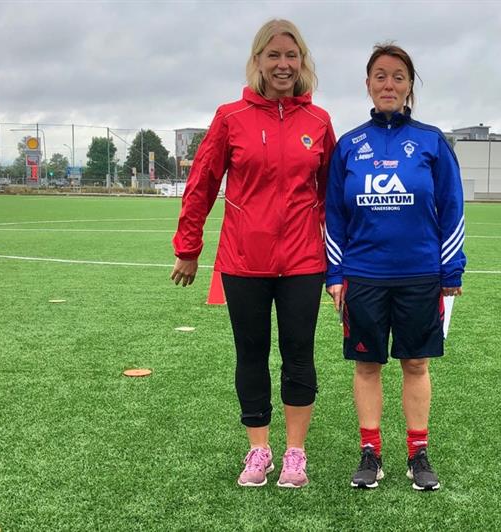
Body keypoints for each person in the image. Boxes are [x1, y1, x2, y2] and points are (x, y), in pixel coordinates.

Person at [171, 19, 335, 489]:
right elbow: (202, 183)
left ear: (302, 62)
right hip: (244, 261)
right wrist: (189, 247)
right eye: (273, 55)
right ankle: (259, 449)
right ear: (258, 61)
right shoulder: (231, 117)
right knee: (251, 354)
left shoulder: (319, 121)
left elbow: (333, 196)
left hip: (303, 261)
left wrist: (341, 262)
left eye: (291, 55)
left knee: (299, 354)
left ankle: (295, 453)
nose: (283, 64)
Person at [325, 43, 466, 491]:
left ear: (409, 87)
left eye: (398, 77)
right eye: (381, 76)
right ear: (368, 84)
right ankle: (370, 452)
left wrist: (451, 269)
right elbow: (334, 215)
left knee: (416, 364)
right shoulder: (349, 146)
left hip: (420, 275)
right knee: (367, 366)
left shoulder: (431, 141)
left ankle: (418, 453)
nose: (389, 84)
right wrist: (335, 274)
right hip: (364, 275)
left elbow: (452, 206)